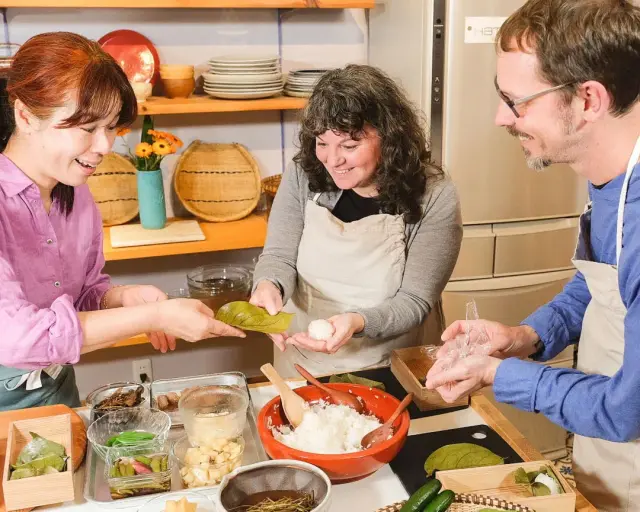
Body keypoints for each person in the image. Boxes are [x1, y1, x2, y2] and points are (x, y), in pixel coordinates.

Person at [424, 1, 640, 510]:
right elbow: (599, 285)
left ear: (588, 99)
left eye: (515, 100)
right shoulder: (609, 175)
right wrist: (524, 337)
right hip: (606, 454)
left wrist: (495, 374)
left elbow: (625, 411)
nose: (500, 118)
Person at [0, 32, 245, 410]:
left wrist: (120, 299)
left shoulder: (75, 191)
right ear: (25, 116)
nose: (104, 146)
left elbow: (79, 294)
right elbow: (19, 338)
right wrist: (151, 315)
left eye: (112, 126)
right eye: (87, 128)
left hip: (57, 389)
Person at [250, 64, 462, 377]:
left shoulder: (434, 195)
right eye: (322, 143)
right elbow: (279, 257)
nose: (332, 160)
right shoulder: (304, 174)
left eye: (349, 146)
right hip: (302, 358)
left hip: (390, 365)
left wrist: (357, 322)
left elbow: (414, 301)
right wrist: (269, 283)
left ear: (389, 139)